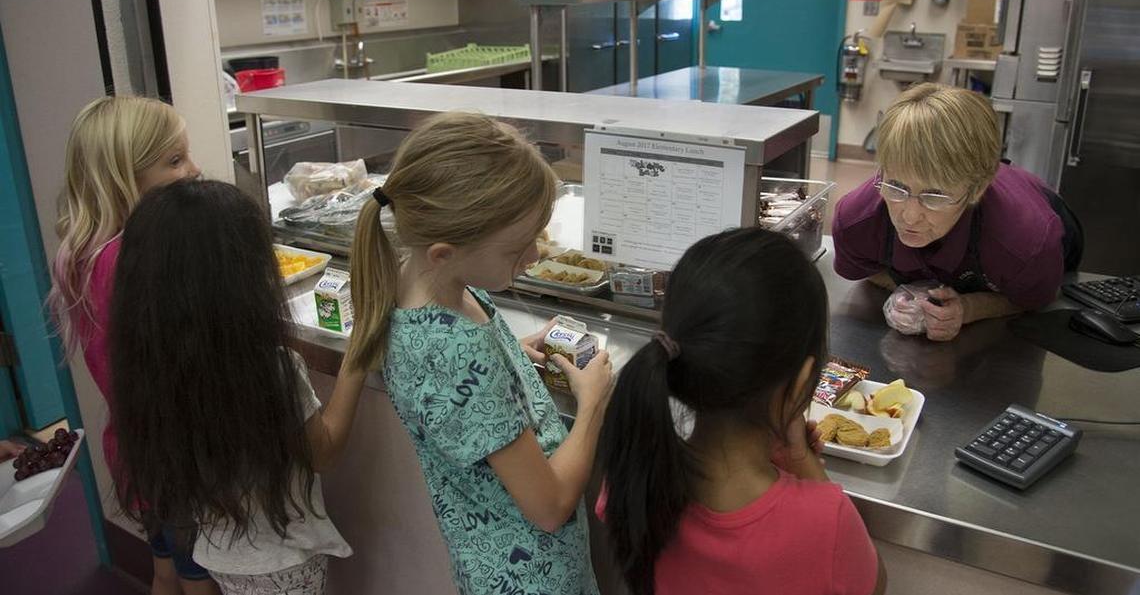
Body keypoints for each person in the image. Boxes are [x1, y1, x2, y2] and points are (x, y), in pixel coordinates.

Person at [341, 111, 613, 595]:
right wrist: (592, 405)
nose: (534, 256)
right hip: (534, 578)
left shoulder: (423, 282)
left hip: (493, 565)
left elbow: (462, 392)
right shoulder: (458, 352)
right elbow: (549, 506)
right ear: (445, 251)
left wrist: (512, 351)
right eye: (518, 248)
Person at [596, 228, 886, 595]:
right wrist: (803, 461)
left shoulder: (634, 473)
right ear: (799, 384)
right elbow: (874, 585)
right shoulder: (826, 522)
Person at [110, 180, 363, 594]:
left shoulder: (151, 364)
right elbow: (324, 451)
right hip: (282, 561)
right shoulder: (267, 369)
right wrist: (357, 354)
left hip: (218, 551)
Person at [46, 95, 214, 594]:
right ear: (122, 175)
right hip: (181, 459)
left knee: (164, 569)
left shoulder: (82, 251)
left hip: (135, 454)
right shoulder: (130, 262)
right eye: (174, 160)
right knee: (200, 578)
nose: (194, 169)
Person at [832, 83, 1083, 341]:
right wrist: (912, 291)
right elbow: (862, 269)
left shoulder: (1028, 243)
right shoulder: (856, 221)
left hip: (1045, 226)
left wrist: (969, 308)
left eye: (935, 196)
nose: (908, 216)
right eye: (897, 187)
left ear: (976, 190)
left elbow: (1035, 297)